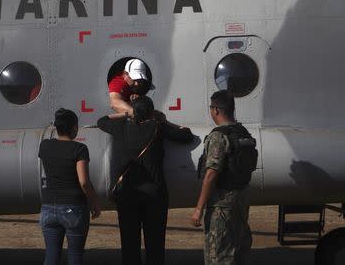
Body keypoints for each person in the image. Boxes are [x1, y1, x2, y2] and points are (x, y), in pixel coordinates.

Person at [97, 96, 194, 265]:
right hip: (154, 196)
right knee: (155, 246)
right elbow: (187, 136)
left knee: (129, 246)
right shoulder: (158, 127)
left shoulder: (120, 127)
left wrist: (126, 113)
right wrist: (163, 120)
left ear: (134, 112)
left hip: (127, 194)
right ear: (151, 112)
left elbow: (101, 121)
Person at [191, 90, 257, 265]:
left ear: (216, 110)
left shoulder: (218, 136)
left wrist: (199, 208)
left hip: (221, 206)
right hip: (241, 200)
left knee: (218, 255)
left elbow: (211, 174)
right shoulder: (243, 133)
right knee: (239, 250)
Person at [38, 108, 101, 265]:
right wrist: (93, 202)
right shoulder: (79, 149)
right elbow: (84, 181)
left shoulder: (44, 146)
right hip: (73, 208)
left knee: (51, 256)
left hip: (48, 207)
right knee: (75, 256)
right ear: (74, 127)